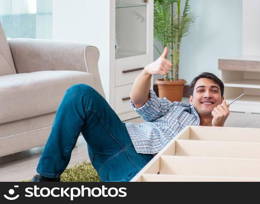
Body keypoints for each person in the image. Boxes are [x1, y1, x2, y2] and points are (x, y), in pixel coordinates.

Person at [32, 47, 230, 182]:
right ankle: (47, 178)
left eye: (214, 91)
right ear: (192, 98)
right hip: (118, 139)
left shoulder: (223, 136)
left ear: (222, 99)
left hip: (143, 167)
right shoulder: (175, 108)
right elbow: (139, 100)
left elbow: (204, 171)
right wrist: (146, 72)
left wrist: (217, 127)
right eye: (201, 90)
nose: (207, 94)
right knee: (80, 93)